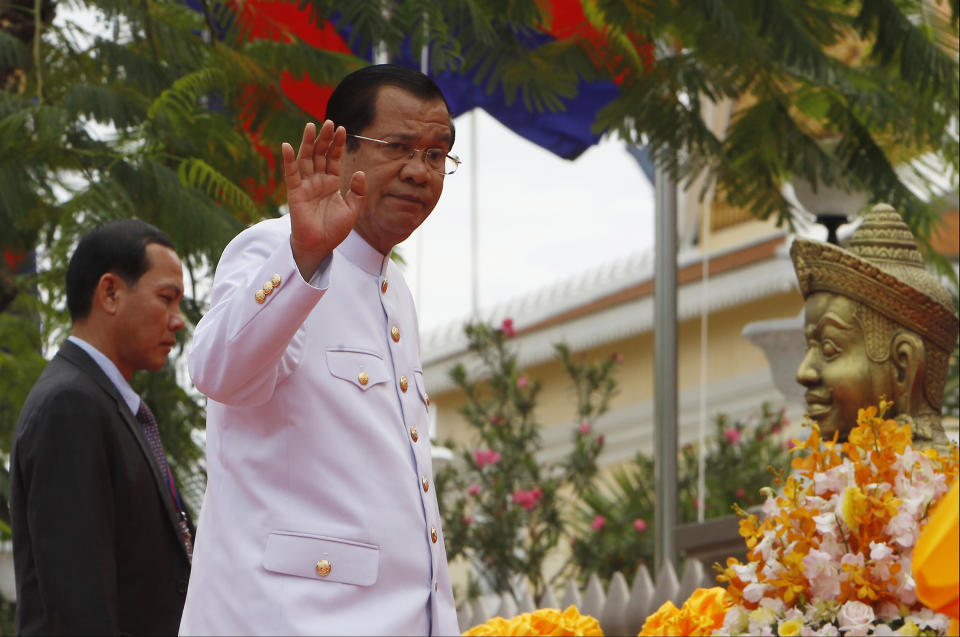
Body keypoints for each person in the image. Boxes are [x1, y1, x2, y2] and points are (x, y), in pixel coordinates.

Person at [179, 64, 461, 635]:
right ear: (340, 149)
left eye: (437, 155)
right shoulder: (275, 247)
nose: (419, 171)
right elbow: (216, 371)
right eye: (399, 147)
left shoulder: (394, 290)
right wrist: (303, 255)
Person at [10, 218, 194, 635]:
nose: (178, 320)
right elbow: (79, 601)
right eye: (166, 298)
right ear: (110, 293)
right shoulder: (70, 406)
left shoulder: (107, 404)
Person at [790, 203, 959, 450]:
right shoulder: (839, 485)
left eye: (829, 349)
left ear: (903, 365)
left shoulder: (945, 486)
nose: (804, 373)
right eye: (809, 350)